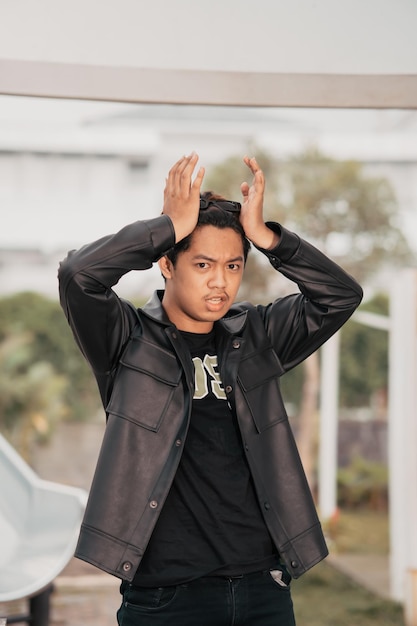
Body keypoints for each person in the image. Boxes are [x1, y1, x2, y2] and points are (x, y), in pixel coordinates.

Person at [58, 152, 363, 626]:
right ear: (167, 264)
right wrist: (166, 225)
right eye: (202, 264)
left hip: (263, 590)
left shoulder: (259, 334)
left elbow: (340, 296)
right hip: (165, 598)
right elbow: (78, 276)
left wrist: (267, 237)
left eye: (233, 266)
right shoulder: (127, 340)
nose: (220, 282)